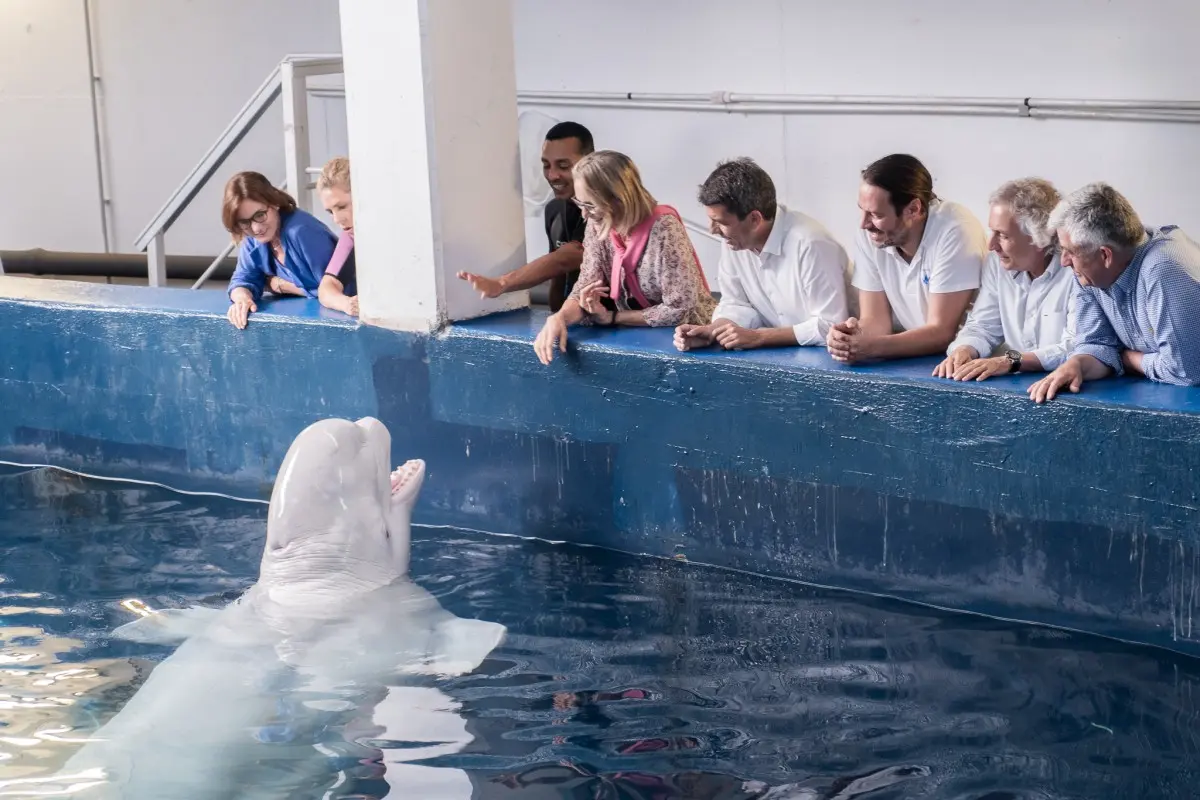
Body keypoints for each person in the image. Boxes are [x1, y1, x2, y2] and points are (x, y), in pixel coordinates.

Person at [533, 150, 715, 365]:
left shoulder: (664, 228)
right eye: (579, 203)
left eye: (590, 205)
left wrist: (612, 318)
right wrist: (559, 317)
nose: (584, 214)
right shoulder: (597, 224)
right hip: (641, 339)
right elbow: (586, 283)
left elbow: (679, 309)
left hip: (691, 342)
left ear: (620, 198)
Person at [1028, 182, 1200, 402]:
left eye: (1069, 252)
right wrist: (1077, 364)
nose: (1063, 261)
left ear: (1105, 255)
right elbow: (1098, 344)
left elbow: (1185, 371)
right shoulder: (1090, 270)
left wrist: (1128, 359)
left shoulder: (1164, 269)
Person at [674, 157, 851, 352]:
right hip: (782, 357)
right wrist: (712, 331)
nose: (713, 230)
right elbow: (736, 303)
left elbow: (831, 326)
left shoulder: (811, 244)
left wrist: (759, 337)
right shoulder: (735, 241)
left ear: (755, 219)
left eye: (722, 222)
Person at [827, 154, 986, 363]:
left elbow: (941, 332)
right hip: (915, 358)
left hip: (967, 361)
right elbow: (876, 321)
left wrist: (871, 347)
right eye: (862, 211)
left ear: (914, 209)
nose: (864, 224)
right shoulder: (871, 235)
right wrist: (849, 338)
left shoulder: (955, 230)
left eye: (876, 215)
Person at [934, 178, 1075, 382]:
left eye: (1003, 235)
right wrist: (965, 349)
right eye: (993, 232)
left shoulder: (1076, 270)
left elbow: (1075, 347)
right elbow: (982, 326)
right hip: (1020, 386)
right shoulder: (997, 264)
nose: (991, 245)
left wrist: (1009, 361)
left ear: (1040, 238)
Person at [457, 121, 594, 310]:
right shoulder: (554, 210)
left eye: (563, 166)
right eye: (546, 165)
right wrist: (554, 318)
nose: (552, 175)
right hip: (578, 319)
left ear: (589, 161)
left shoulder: (608, 210)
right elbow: (558, 276)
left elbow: (567, 258)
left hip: (618, 324)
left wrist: (502, 283)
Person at [223, 171, 337, 330]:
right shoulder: (252, 239)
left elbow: (337, 291)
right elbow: (242, 279)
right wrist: (242, 299)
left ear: (274, 203)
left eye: (260, 215)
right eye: (244, 222)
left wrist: (280, 285)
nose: (256, 228)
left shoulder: (302, 232)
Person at [315, 156, 358, 317]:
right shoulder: (351, 234)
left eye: (342, 206)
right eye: (330, 211)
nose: (337, 219)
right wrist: (347, 304)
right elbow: (327, 288)